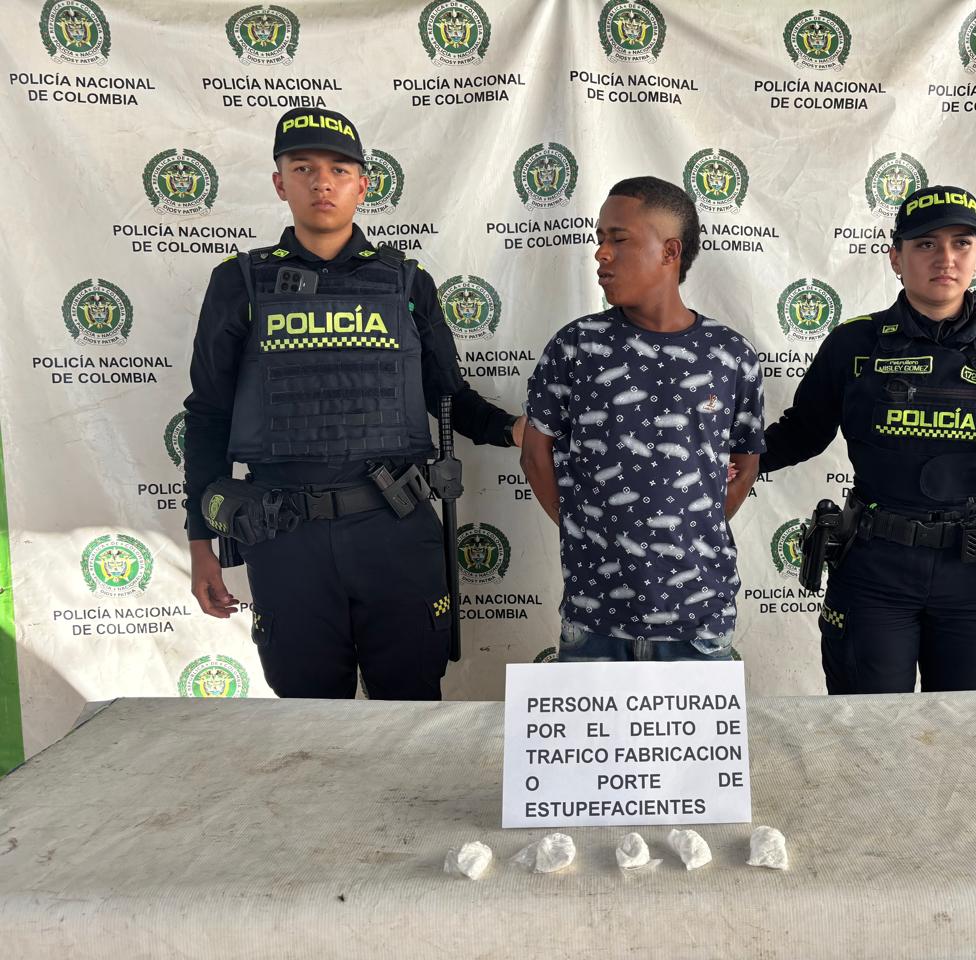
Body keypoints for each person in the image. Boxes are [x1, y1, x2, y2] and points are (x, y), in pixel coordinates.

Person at [184, 107, 525, 700]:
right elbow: (208, 415)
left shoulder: (407, 282)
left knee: (412, 717)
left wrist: (518, 431)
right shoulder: (239, 282)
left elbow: (448, 399)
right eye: (303, 168)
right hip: (284, 538)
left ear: (363, 185)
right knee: (310, 722)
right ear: (279, 183)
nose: (322, 182)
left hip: (394, 531)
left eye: (339, 170)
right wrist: (200, 545)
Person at [759, 185, 976, 694]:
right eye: (925, 244)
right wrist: (721, 461)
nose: (946, 258)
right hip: (875, 571)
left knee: (971, 733)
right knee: (870, 731)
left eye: (961, 243)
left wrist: (959, 490)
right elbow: (802, 433)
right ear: (896, 258)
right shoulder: (855, 344)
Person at [521, 176, 764, 662]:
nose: (601, 254)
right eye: (600, 239)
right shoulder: (576, 346)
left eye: (618, 239)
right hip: (594, 620)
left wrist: (687, 530)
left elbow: (745, 464)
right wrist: (588, 532)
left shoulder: (730, 355)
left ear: (670, 251)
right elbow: (534, 454)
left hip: (699, 622)